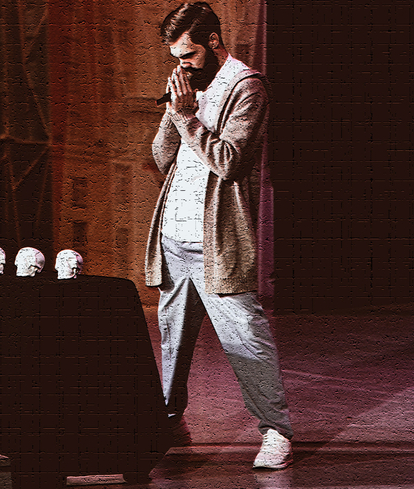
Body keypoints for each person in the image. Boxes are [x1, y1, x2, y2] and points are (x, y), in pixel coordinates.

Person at [144, 2, 293, 470]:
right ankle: (168, 421)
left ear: (213, 42)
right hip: (174, 235)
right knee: (173, 340)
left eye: (189, 55)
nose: (183, 66)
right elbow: (161, 158)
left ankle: (275, 431)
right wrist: (175, 112)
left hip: (218, 241)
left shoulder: (247, 87)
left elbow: (230, 161)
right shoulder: (187, 87)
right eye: (176, 58)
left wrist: (188, 116)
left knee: (246, 337)